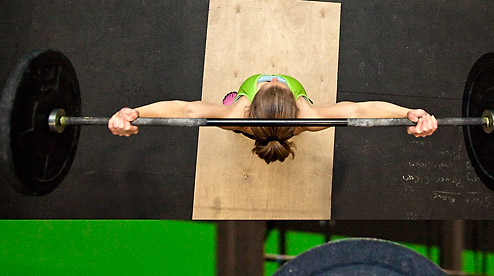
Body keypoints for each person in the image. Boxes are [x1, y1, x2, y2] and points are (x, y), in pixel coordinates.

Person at [108, 74, 436, 164]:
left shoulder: (236, 114)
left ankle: (265, 131)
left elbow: (187, 109)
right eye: (273, 84)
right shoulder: (309, 116)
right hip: (275, 124)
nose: (275, 76)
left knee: (222, 107)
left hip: (254, 125)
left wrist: (135, 113)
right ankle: (271, 131)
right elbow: (359, 110)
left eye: (274, 83)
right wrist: (408, 114)